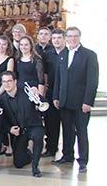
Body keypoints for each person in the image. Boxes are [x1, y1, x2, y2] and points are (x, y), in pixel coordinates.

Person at [52, 27, 98, 173]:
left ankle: (83, 160)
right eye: (70, 36)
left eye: (75, 36)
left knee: (81, 132)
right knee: (66, 130)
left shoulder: (89, 55)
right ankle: (67, 155)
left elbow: (92, 81)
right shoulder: (63, 54)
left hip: (81, 103)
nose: (72, 39)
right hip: (65, 100)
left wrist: (88, 102)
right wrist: (56, 96)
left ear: (79, 37)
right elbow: (58, 78)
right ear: (66, 38)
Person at [0, 71, 45, 177]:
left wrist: (38, 95)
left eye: (9, 81)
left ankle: (35, 167)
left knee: (38, 136)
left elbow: (43, 105)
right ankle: (29, 154)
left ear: (15, 81)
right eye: (4, 81)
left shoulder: (27, 91)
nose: (7, 84)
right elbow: (3, 121)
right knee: (18, 163)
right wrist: (10, 129)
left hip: (34, 126)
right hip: (20, 131)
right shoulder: (2, 99)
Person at [41, 29, 65, 158]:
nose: (56, 40)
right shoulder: (48, 54)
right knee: (51, 122)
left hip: (65, 92)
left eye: (59, 38)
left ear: (64, 39)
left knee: (67, 125)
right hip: (50, 92)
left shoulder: (68, 53)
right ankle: (51, 148)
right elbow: (45, 74)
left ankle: (67, 153)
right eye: (54, 38)